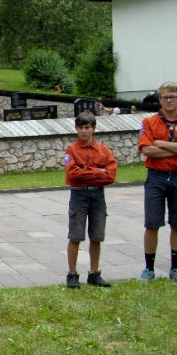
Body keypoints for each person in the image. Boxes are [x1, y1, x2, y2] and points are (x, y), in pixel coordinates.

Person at [63, 111, 117, 289]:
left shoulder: (104, 150)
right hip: (79, 195)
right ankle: (72, 274)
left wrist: (85, 171)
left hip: (98, 196)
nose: (84, 131)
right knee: (75, 235)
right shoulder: (71, 150)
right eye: (81, 128)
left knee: (97, 235)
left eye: (87, 127)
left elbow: (111, 175)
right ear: (76, 129)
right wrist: (98, 171)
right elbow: (72, 173)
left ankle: (94, 273)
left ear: (93, 128)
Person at [138, 81, 177, 283]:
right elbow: (147, 149)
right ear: (160, 99)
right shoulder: (149, 122)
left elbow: (155, 147)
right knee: (152, 223)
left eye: (172, 97)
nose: (168, 101)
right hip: (156, 177)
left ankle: (175, 269)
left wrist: (161, 144)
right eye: (164, 97)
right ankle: (149, 269)